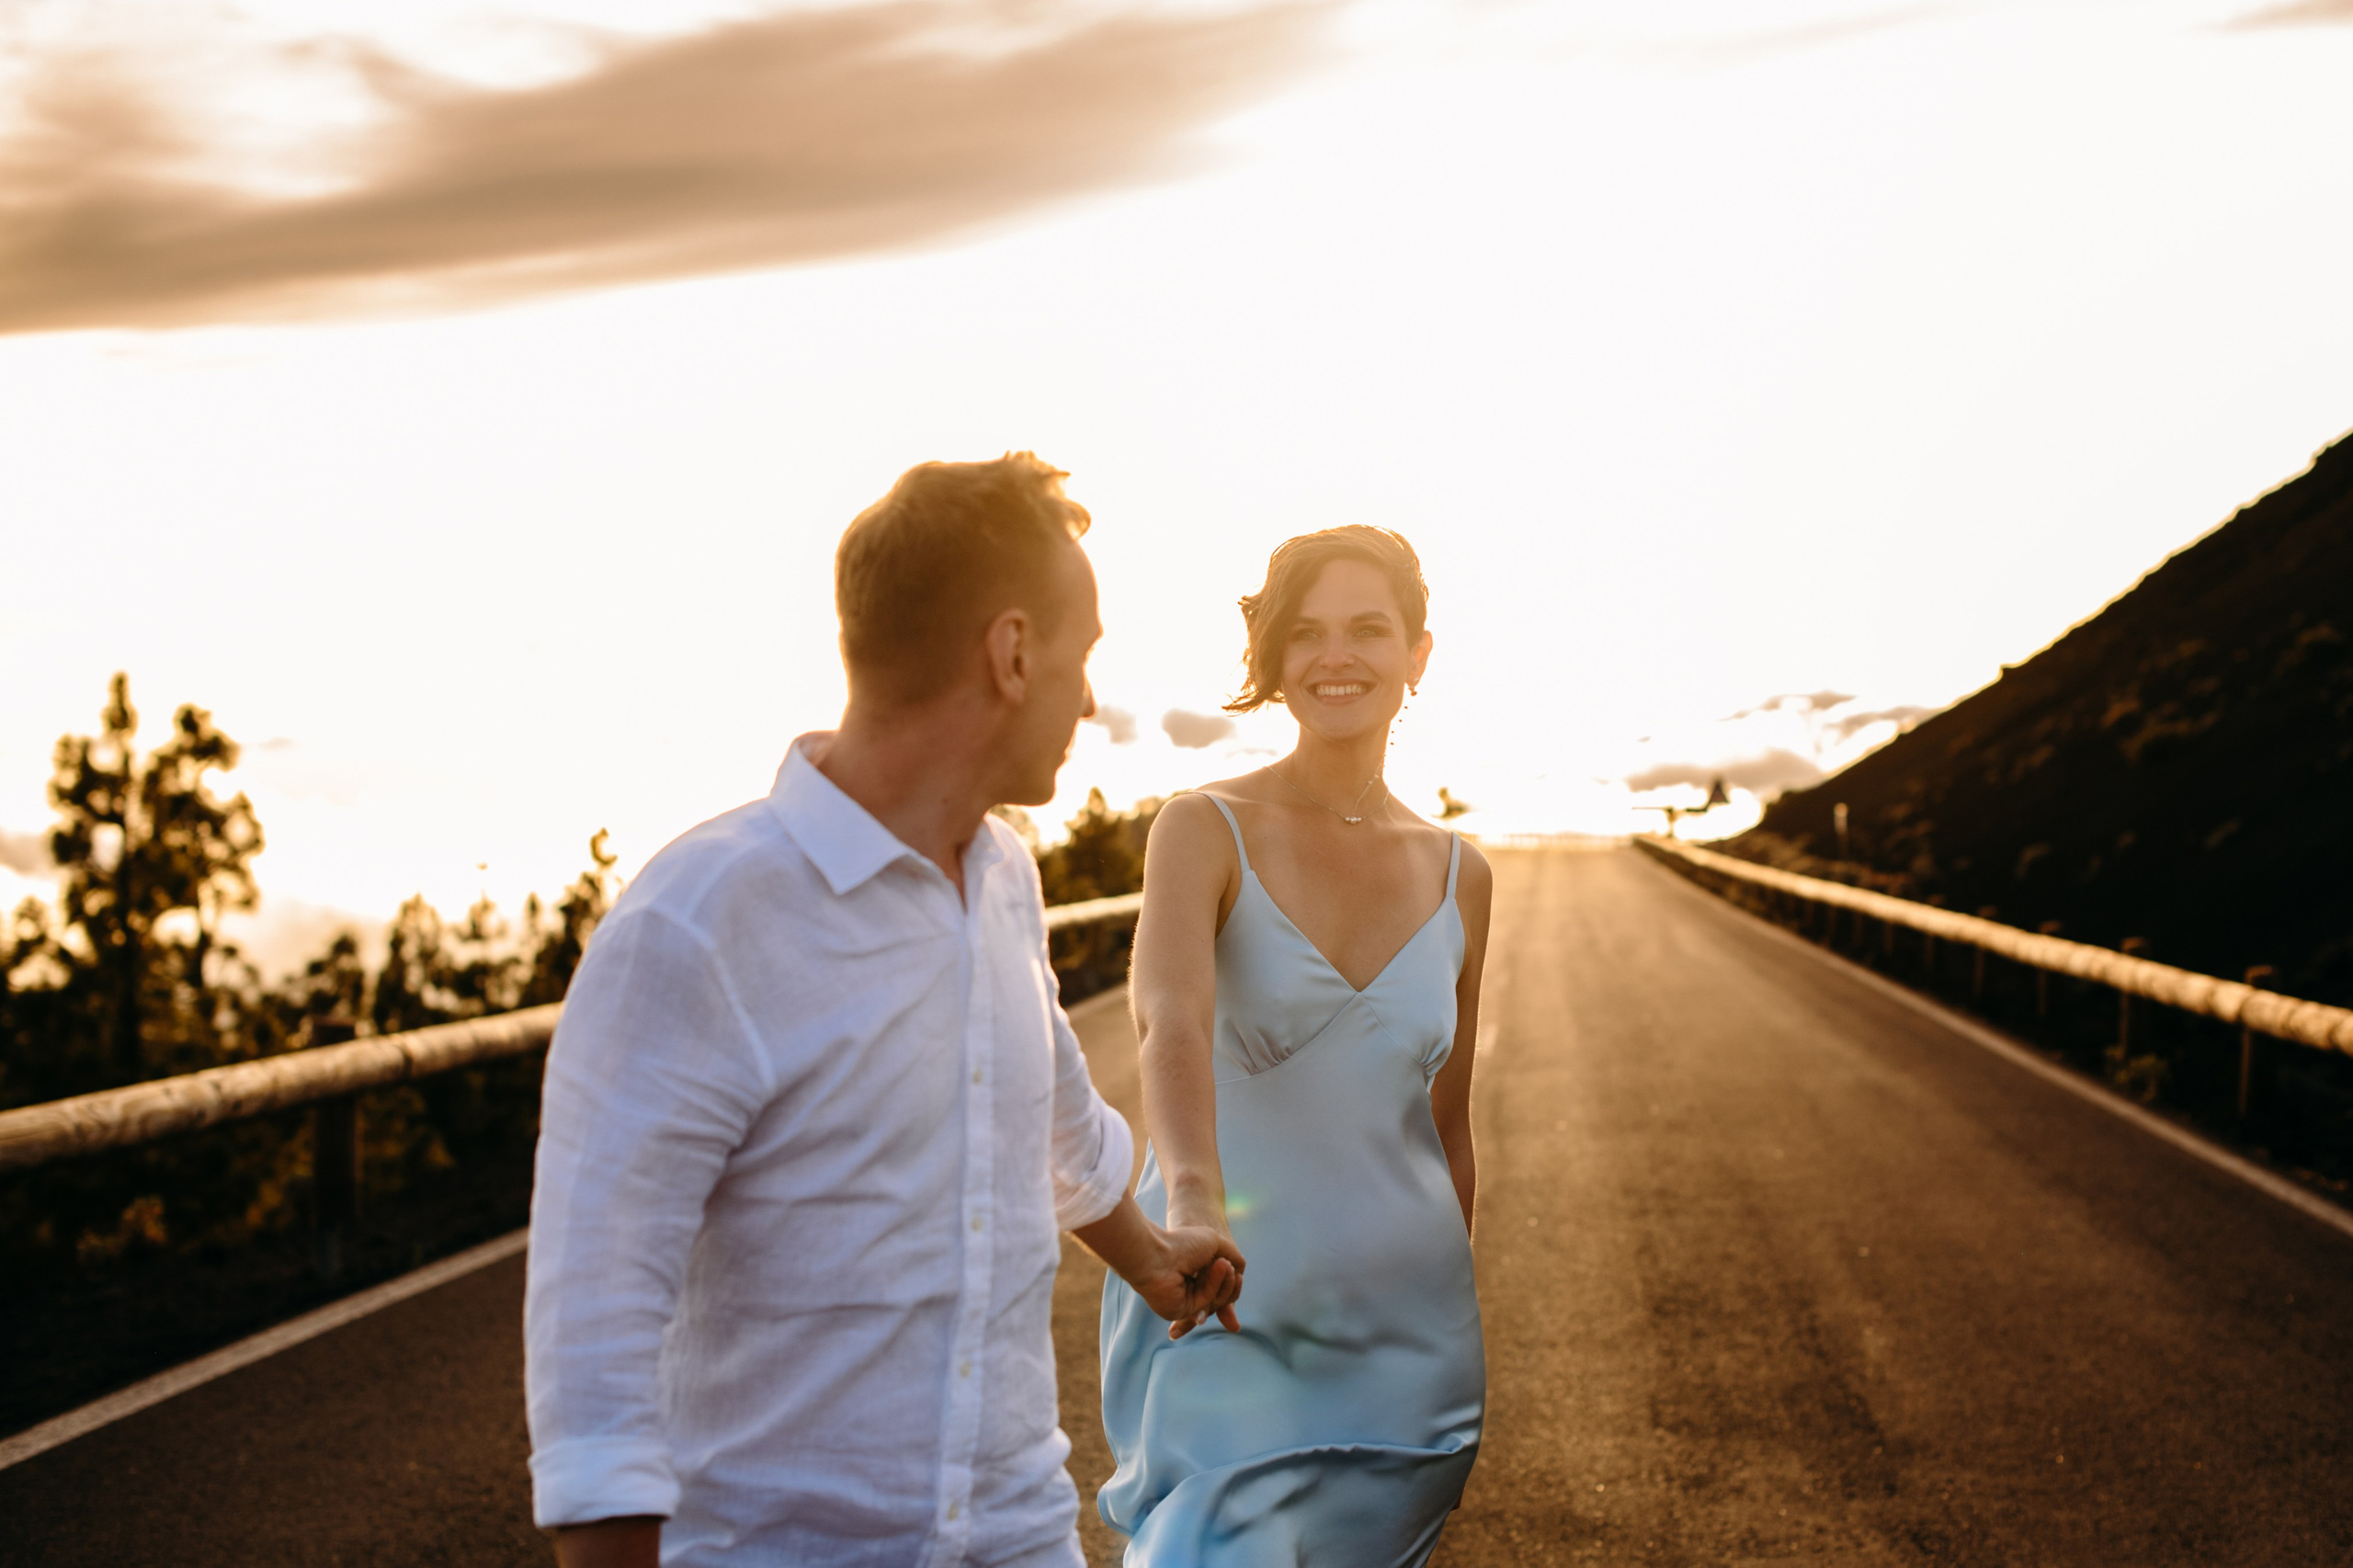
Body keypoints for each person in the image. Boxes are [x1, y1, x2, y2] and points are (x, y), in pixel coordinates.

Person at [524, 454, 1245, 1568]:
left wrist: (1155, 1263)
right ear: (1011, 653)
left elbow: (1051, 1115)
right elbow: (594, 1355)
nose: (1090, 698)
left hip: (1015, 1533)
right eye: (1082, 652)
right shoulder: (697, 926)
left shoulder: (1002, 875)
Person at [1097, 525, 1491, 1565]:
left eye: (1369, 628)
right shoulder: (1202, 826)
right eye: (1307, 632)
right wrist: (1190, 1198)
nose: (1337, 656)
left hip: (1407, 1350)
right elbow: (1165, 1016)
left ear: (1418, 653)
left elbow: (1446, 1125)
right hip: (1226, 1302)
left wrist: (1448, 1297)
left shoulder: (1463, 874)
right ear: (1271, 659)